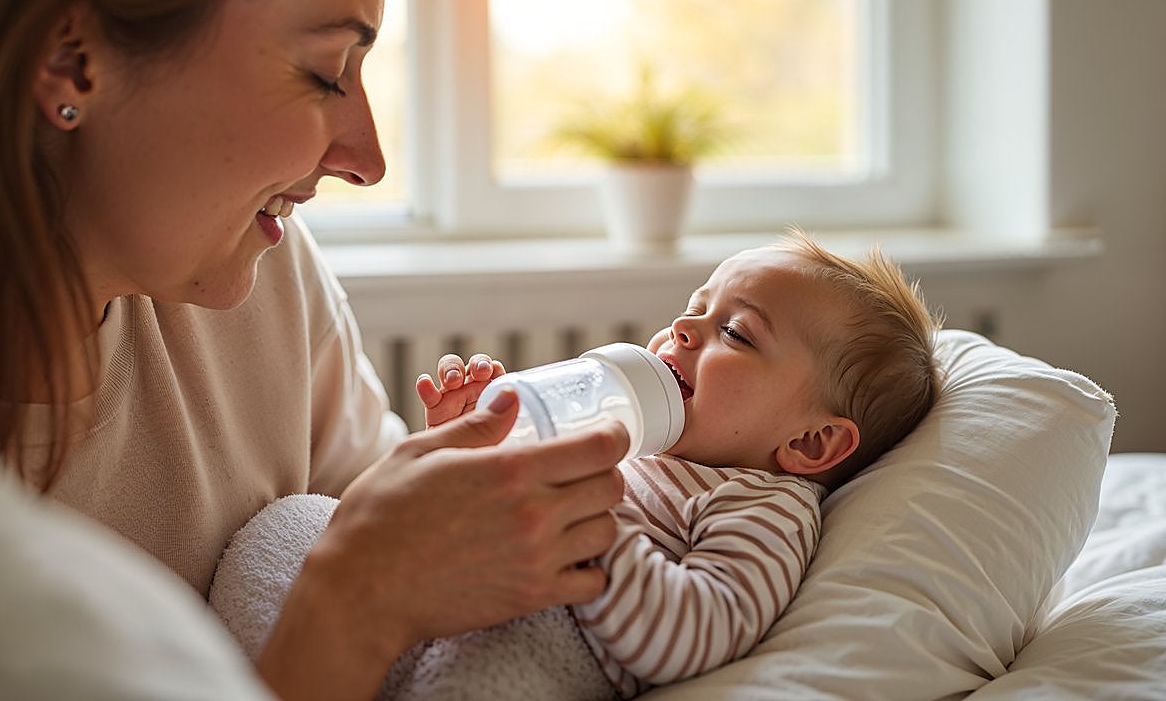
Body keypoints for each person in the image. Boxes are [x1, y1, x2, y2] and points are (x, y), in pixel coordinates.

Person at [0, 0, 627, 698]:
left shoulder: (265, 277)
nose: (369, 159)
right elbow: (371, 582)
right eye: (324, 72)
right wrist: (346, 612)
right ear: (71, 60)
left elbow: (423, 597)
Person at [209, 230, 944, 699]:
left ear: (811, 444)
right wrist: (473, 433)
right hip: (450, 593)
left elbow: (694, 633)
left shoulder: (761, 504)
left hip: (558, 647)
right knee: (296, 521)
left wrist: (593, 522)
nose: (684, 329)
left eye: (736, 334)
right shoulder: (640, 441)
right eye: (695, 306)